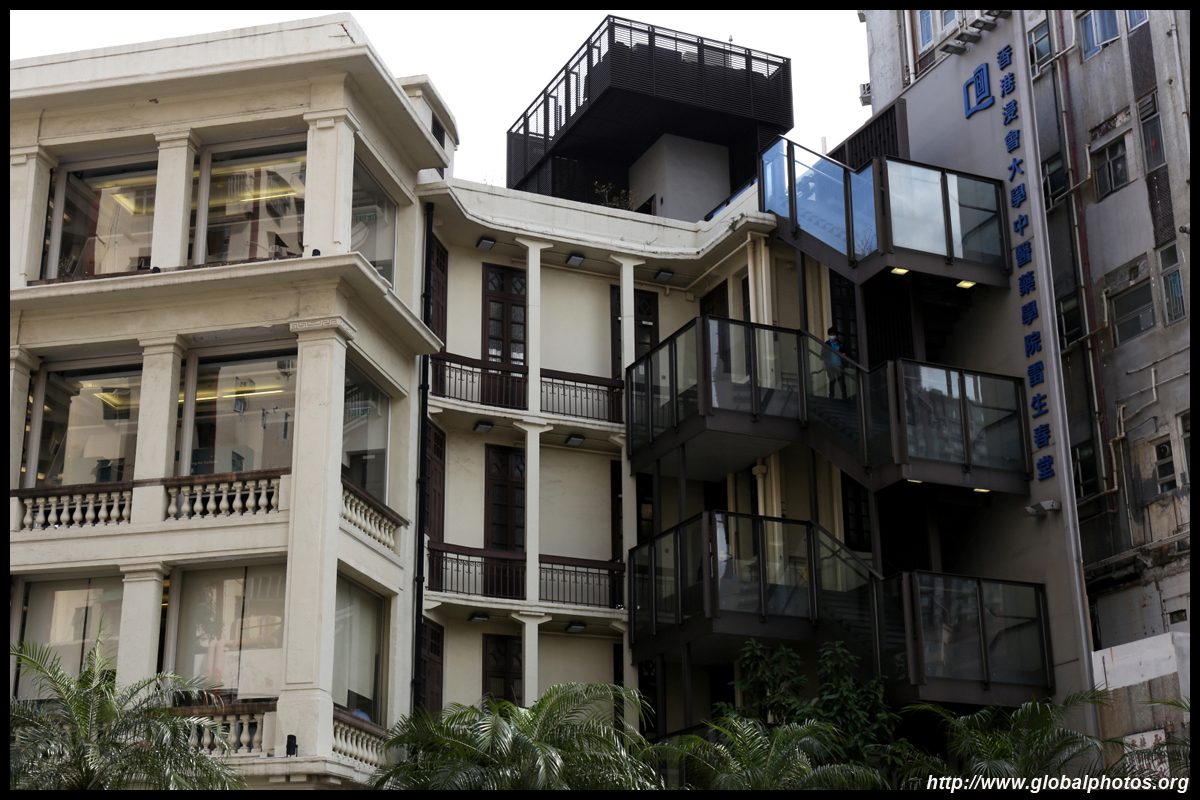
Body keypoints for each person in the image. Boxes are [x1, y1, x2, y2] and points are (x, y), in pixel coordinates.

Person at [825, 326, 848, 400]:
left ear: (836, 335)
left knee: (841, 381)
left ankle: (844, 396)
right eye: (830, 334)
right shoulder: (827, 344)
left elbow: (845, 353)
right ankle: (831, 396)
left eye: (833, 334)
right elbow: (823, 354)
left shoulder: (841, 344)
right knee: (832, 381)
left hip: (839, 366)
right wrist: (824, 364)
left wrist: (844, 355)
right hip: (830, 365)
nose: (832, 336)